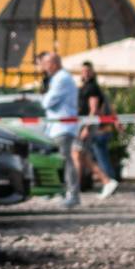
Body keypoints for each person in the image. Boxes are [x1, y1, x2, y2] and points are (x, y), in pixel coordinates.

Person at [38, 51, 82, 209]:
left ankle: (73, 195)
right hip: (57, 127)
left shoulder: (61, 78)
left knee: (65, 161)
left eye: (46, 63)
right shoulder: (58, 78)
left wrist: (43, 97)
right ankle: (59, 191)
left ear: (54, 63)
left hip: (62, 127)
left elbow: (47, 102)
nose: (44, 67)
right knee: (58, 161)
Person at [76, 60, 120, 199]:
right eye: (83, 71)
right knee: (83, 156)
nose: (85, 73)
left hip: (94, 127)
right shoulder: (87, 87)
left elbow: (94, 109)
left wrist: (86, 127)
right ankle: (106, 181)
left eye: (87, 71)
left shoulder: (92, 88)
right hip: (94, 127)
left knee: (87, 156)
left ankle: (108, 181)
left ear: (92, 72)